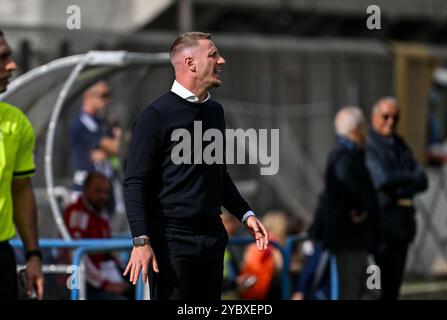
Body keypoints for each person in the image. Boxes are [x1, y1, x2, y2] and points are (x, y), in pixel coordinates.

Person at [123, 32, 269, 300]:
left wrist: (245, 214)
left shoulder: (215, 112)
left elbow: (218, 174)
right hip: (172, 242)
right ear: (190, 63)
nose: (221, 60)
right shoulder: (154, 117)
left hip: (212, 239)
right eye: (213, 55)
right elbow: (135, 183)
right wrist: (141, 240)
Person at [366, 97, 428, 300]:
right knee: (376, 286)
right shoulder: (370, 144)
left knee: (393, 285)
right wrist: (407, 181)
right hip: (382, 226)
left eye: (395, 117)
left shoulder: (400, 145)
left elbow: (422, 179)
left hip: (402, 225)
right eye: (385, 116)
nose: (390, 122)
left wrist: (399, 182)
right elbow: (382, 179)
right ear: (375, 117)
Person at [0, 29, 44, 300]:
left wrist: (33, 254)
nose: (12, 65)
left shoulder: (17, 123)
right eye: (3, 57)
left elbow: (21, 190)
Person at [319, 107, 379, 299]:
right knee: (351, 290)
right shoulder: (343, 153)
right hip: (348, 238)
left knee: (370, 289)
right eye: (364, 126)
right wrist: (360, 206)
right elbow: (346, 179)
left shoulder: (351, 153)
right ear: (356, 128)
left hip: (358, 239)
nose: (366, 131)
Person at [63, 172, 131, 300]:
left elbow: (107, 254)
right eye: (98, 191)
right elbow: (78, 256)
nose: (103, 196)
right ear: (85, 190)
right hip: (80, 283)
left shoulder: (100, 213)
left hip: (101, 276)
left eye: (106, 192)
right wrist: (105, 284)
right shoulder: (78, 214)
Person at [69, 81, 120, 196]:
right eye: (104, 96)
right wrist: (112, 147)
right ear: (88, 96)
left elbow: (123, 146)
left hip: (104, 185)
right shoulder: (82, 121)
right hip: (85, 188)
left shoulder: (102, 121)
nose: (108, 100)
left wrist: (105, 153)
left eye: (109, 95)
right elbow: (116, 147)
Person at [239, 211, 287, 300]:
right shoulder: (274, 244)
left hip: (246, 289)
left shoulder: (254, 243)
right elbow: (280, 267)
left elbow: (244, 264)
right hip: (263, 291)